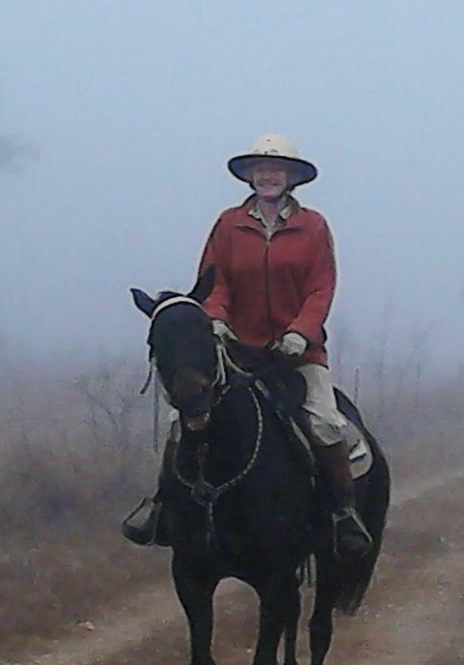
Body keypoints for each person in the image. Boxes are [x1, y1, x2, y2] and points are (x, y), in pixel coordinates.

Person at [123, 134, 372, 558]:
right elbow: (212, 281)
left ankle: (342, 513)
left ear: (292, 177)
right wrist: (216, 319)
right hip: (236, 348)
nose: (268, 175)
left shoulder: (313, 226)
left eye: (276, 169)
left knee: (326, 422)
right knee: (181, 417)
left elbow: (321, 287)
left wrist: (301, 332)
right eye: (260, 168)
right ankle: (163, 507)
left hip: (298, 352)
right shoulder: (228, 223)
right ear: (249, 176)